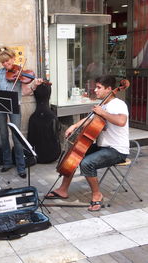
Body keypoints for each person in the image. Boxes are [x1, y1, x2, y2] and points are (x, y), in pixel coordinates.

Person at [45, 75, 129, 212]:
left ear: (109, 89)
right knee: (75, 154)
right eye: (96, 87)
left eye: (99, 87)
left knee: (87, 163)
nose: (95, 90)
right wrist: (73, 126)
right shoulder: (102, 104)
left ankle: (97, 194)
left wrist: (103, 113)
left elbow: (121, 121)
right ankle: (63, 189)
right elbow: (89, 120)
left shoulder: (118, 104)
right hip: (103, 147)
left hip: (117, 150)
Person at [0, 46, 43, 178]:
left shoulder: (20, 73)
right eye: (3, 62)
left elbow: (26, 91)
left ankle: (21, 166)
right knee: (3, 134)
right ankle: (7, 162)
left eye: (8, 61)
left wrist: (34, 84)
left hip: (14, 106)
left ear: (13, 58)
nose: (6, 64)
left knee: (17, 136)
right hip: (0, 106)